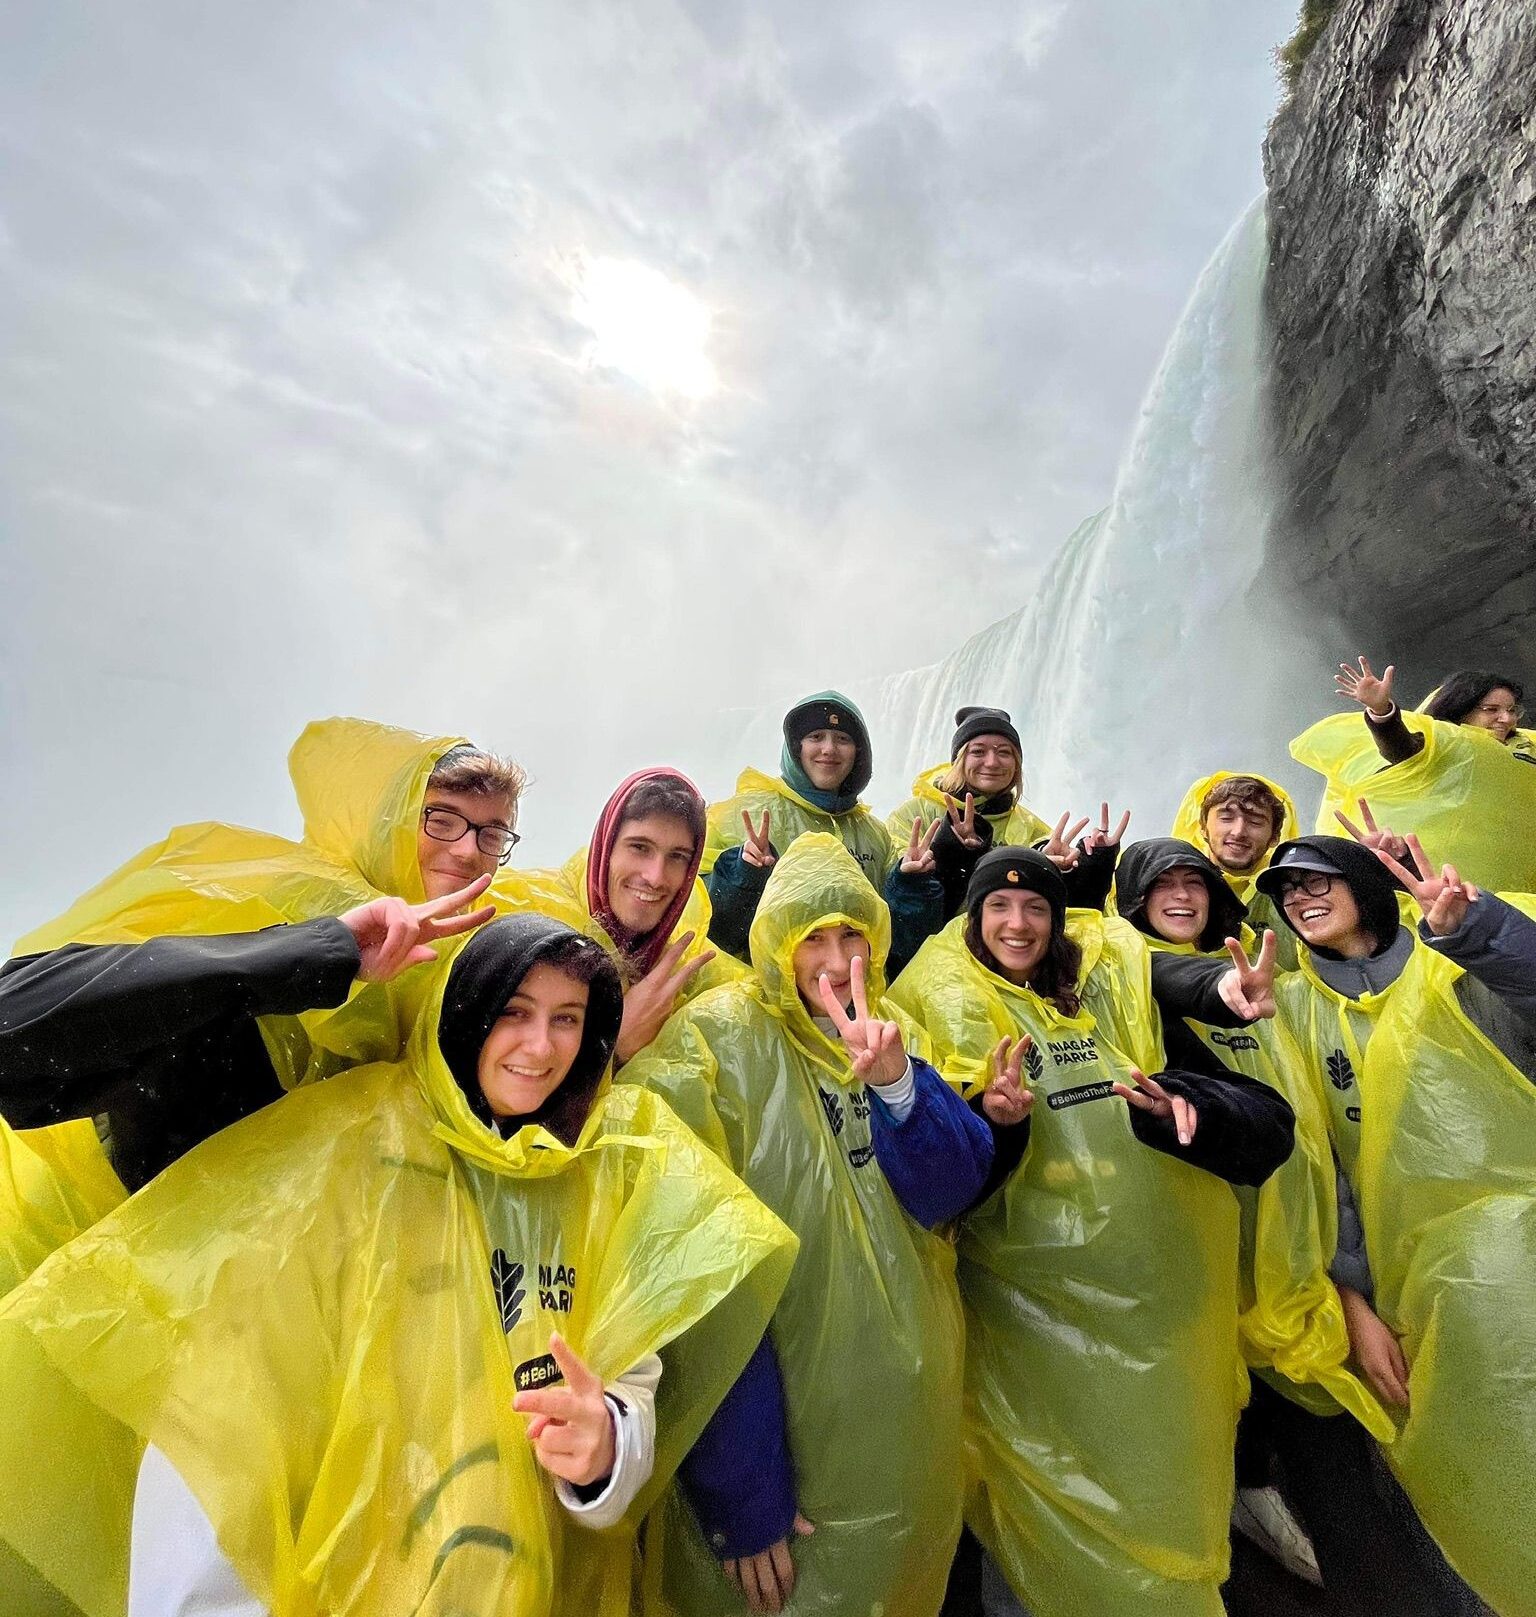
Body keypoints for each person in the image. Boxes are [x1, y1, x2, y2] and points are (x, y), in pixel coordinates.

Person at [0, 914, 797, 1617]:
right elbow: (224, 1432)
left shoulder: (597, 1180)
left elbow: (629, 1388)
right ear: (466, 1012)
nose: (540, 1045)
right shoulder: (347, 1150)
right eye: (513, 1012)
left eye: (567, 1019)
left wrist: (607, 1450)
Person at [626, 834, 1029, 1617]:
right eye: (814, 936)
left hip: (908, 1423)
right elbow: (697, 1285)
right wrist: (743, 1494)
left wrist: (897, 1083)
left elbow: (950, 1190)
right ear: (776, 942)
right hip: (783, 1451)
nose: (838, 957)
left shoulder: (893, 1026)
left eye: (852, 934)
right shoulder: (712, 1041)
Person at [888, 847, 1295, 1617]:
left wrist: (1219, 997)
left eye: (1036, 907)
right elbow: (938, 1182)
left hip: (1152, 1302)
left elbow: (1173, 985)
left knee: (1154, 1482)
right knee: (1035, 1499)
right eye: (999, 908)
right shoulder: (936, 996)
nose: (1018, 923)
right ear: (972, 916)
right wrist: (996, 1123)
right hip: (1023, 1315)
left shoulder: (1103, 986)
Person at [0, 719, 522, 1200]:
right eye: (442, 818)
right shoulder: (257, 898)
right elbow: (15, 1023)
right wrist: (322, 950)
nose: (470, 851)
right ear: (388, 818)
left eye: (493, 833)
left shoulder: (468, 979)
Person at [1252, 832, 1536, 1616]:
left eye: (1320, 880)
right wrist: (1353, 1302)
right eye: (1289, 891)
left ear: (1367, 886)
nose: (1303, 897)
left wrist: (1475, 930)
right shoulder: (1294, 1009)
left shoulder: (1454, 963)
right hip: (1416, 1298)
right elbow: (1320, 1177)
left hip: (1526, 1261)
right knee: (1470, 1480)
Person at [497, 769, 743, 1064]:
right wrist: (615, 1045)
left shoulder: (683, 960)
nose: (655, 877)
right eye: (640, 848)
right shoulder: (531, 928)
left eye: (677, 856)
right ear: (606, 849)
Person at [1292, 656, 1536, 892]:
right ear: (1462, 709)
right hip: (1441, 883)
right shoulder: (1449, 741)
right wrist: (1382, 711)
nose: (1506, 719)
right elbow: (1403, 748)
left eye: (1512, 710)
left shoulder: (1526, 745)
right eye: (1491, 709)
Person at [702, 692, 893, 959]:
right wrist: (745, 876)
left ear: (858, 753)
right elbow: (697, 916)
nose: (829, 749)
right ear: (796, 748)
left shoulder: (875, 834)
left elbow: (892, 929)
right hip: (760, 992)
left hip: (850, 989)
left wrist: (915, 882)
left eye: (843, 739)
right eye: (815, 737)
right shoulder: (744, 813)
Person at [883, 706, 1051, 920]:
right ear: (960, 759)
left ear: (1017, 764)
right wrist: (944, 857)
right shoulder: (913, 814)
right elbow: (891, 893)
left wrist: (1067, 869)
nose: (992, 762)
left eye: (1004, 752)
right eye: (978, 751)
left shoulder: (1029, 824)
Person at [1170, 771, 1299, 968]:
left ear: (1274, 836)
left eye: (1255, 821)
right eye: (1226, 817)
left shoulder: (1296, 888)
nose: (1238, 832)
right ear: (1203, 828)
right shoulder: (1163, 882)